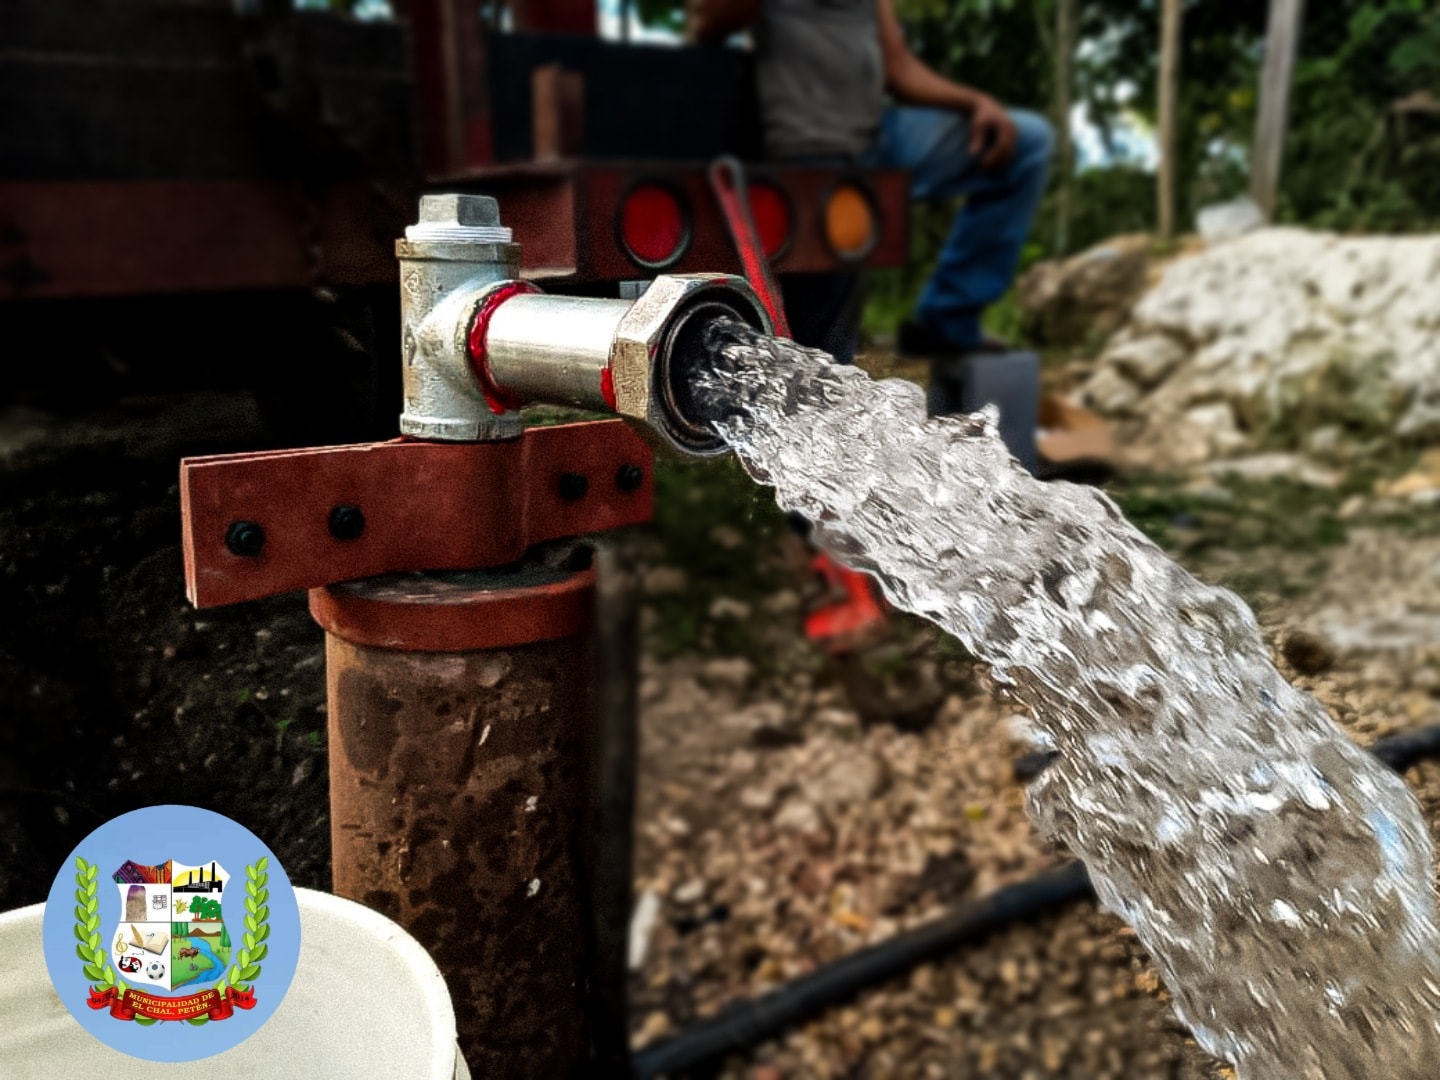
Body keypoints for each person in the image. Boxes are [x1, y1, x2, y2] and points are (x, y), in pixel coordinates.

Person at [689, 0, 1053, 370]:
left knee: (1027, 142)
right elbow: (708, 25)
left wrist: (975, 102)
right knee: (824, 337)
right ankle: (816, 374)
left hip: (880, 138)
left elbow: (900, 68)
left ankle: (947, 322)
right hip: (809, 145)